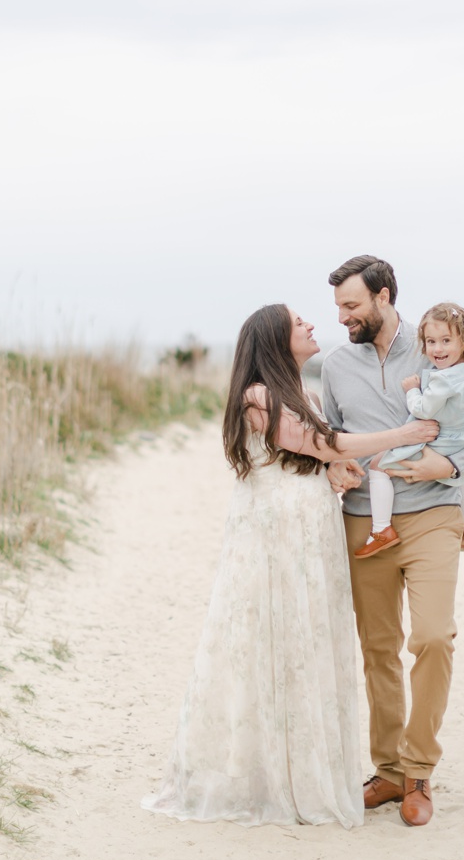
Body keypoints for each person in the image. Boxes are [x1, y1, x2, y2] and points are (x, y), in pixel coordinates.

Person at [143, 304, 439, 829]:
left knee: (309, 640)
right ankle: (270, 776)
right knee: (274, 641)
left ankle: (305, 766)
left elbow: (311, 459)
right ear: (275, 339)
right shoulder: (258, 395)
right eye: (297, 321)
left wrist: (338, 474)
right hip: (276, 535)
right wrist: (402, 435)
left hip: (310, 530)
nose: (309, 324)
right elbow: (319, 444)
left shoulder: (307, 392)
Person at [320, 256, 464, 829]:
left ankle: (421, 770)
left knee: (431, 638)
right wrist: (334, 469)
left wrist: (448, 463)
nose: (343, 318)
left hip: (433, 515)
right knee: (378, 648)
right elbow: (331, 439)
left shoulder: (438, 343)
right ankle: (389, 772)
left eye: (352, 306)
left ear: (383, 296)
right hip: (363, 520)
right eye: (338, 308)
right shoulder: (334, 365)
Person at [356, 301, 464, 558]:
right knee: (463, 474)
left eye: (446, 340)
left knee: (377, 466)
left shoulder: (442, 380)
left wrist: (412, 389)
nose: (437, 349)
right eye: (431, 341)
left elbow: (423, 410)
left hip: (438, 442)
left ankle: (381, 530)